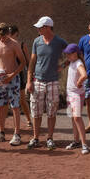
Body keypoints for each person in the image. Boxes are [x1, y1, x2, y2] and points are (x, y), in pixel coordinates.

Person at [25, 16, 67, 149]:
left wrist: (64, 65)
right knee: (36, 111)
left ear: (48, 27)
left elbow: (73, 52)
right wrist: (29, 81)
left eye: (40, 27)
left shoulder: (59, 42)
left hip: (53, 80)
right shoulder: (37, 41)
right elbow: (32, 62)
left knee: (51, 111)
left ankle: (49, 138)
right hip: (37, 80)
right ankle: (35, 138)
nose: (38, 29)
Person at [0, 22, 26, 145]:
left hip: (13, 78)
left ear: (8, 34)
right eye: (0, 35)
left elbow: (23, 62)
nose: (2, 38)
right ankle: (1, 132)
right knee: (0, 105)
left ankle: (17, 134)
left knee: (15, 106)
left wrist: (12, 75)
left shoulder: (15, 44)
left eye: (4, 35)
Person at [63, 43, 90, 152]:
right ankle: (76, 141)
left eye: (69, 54)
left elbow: (84, 75)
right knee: (73, 118)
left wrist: (79, 81)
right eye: (67, 54)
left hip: (76, 94)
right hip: (70, 93)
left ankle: (84, 144)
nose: (67, 56)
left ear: (76, 54)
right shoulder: (72, 62)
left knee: (77, 118)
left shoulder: (78, 62)